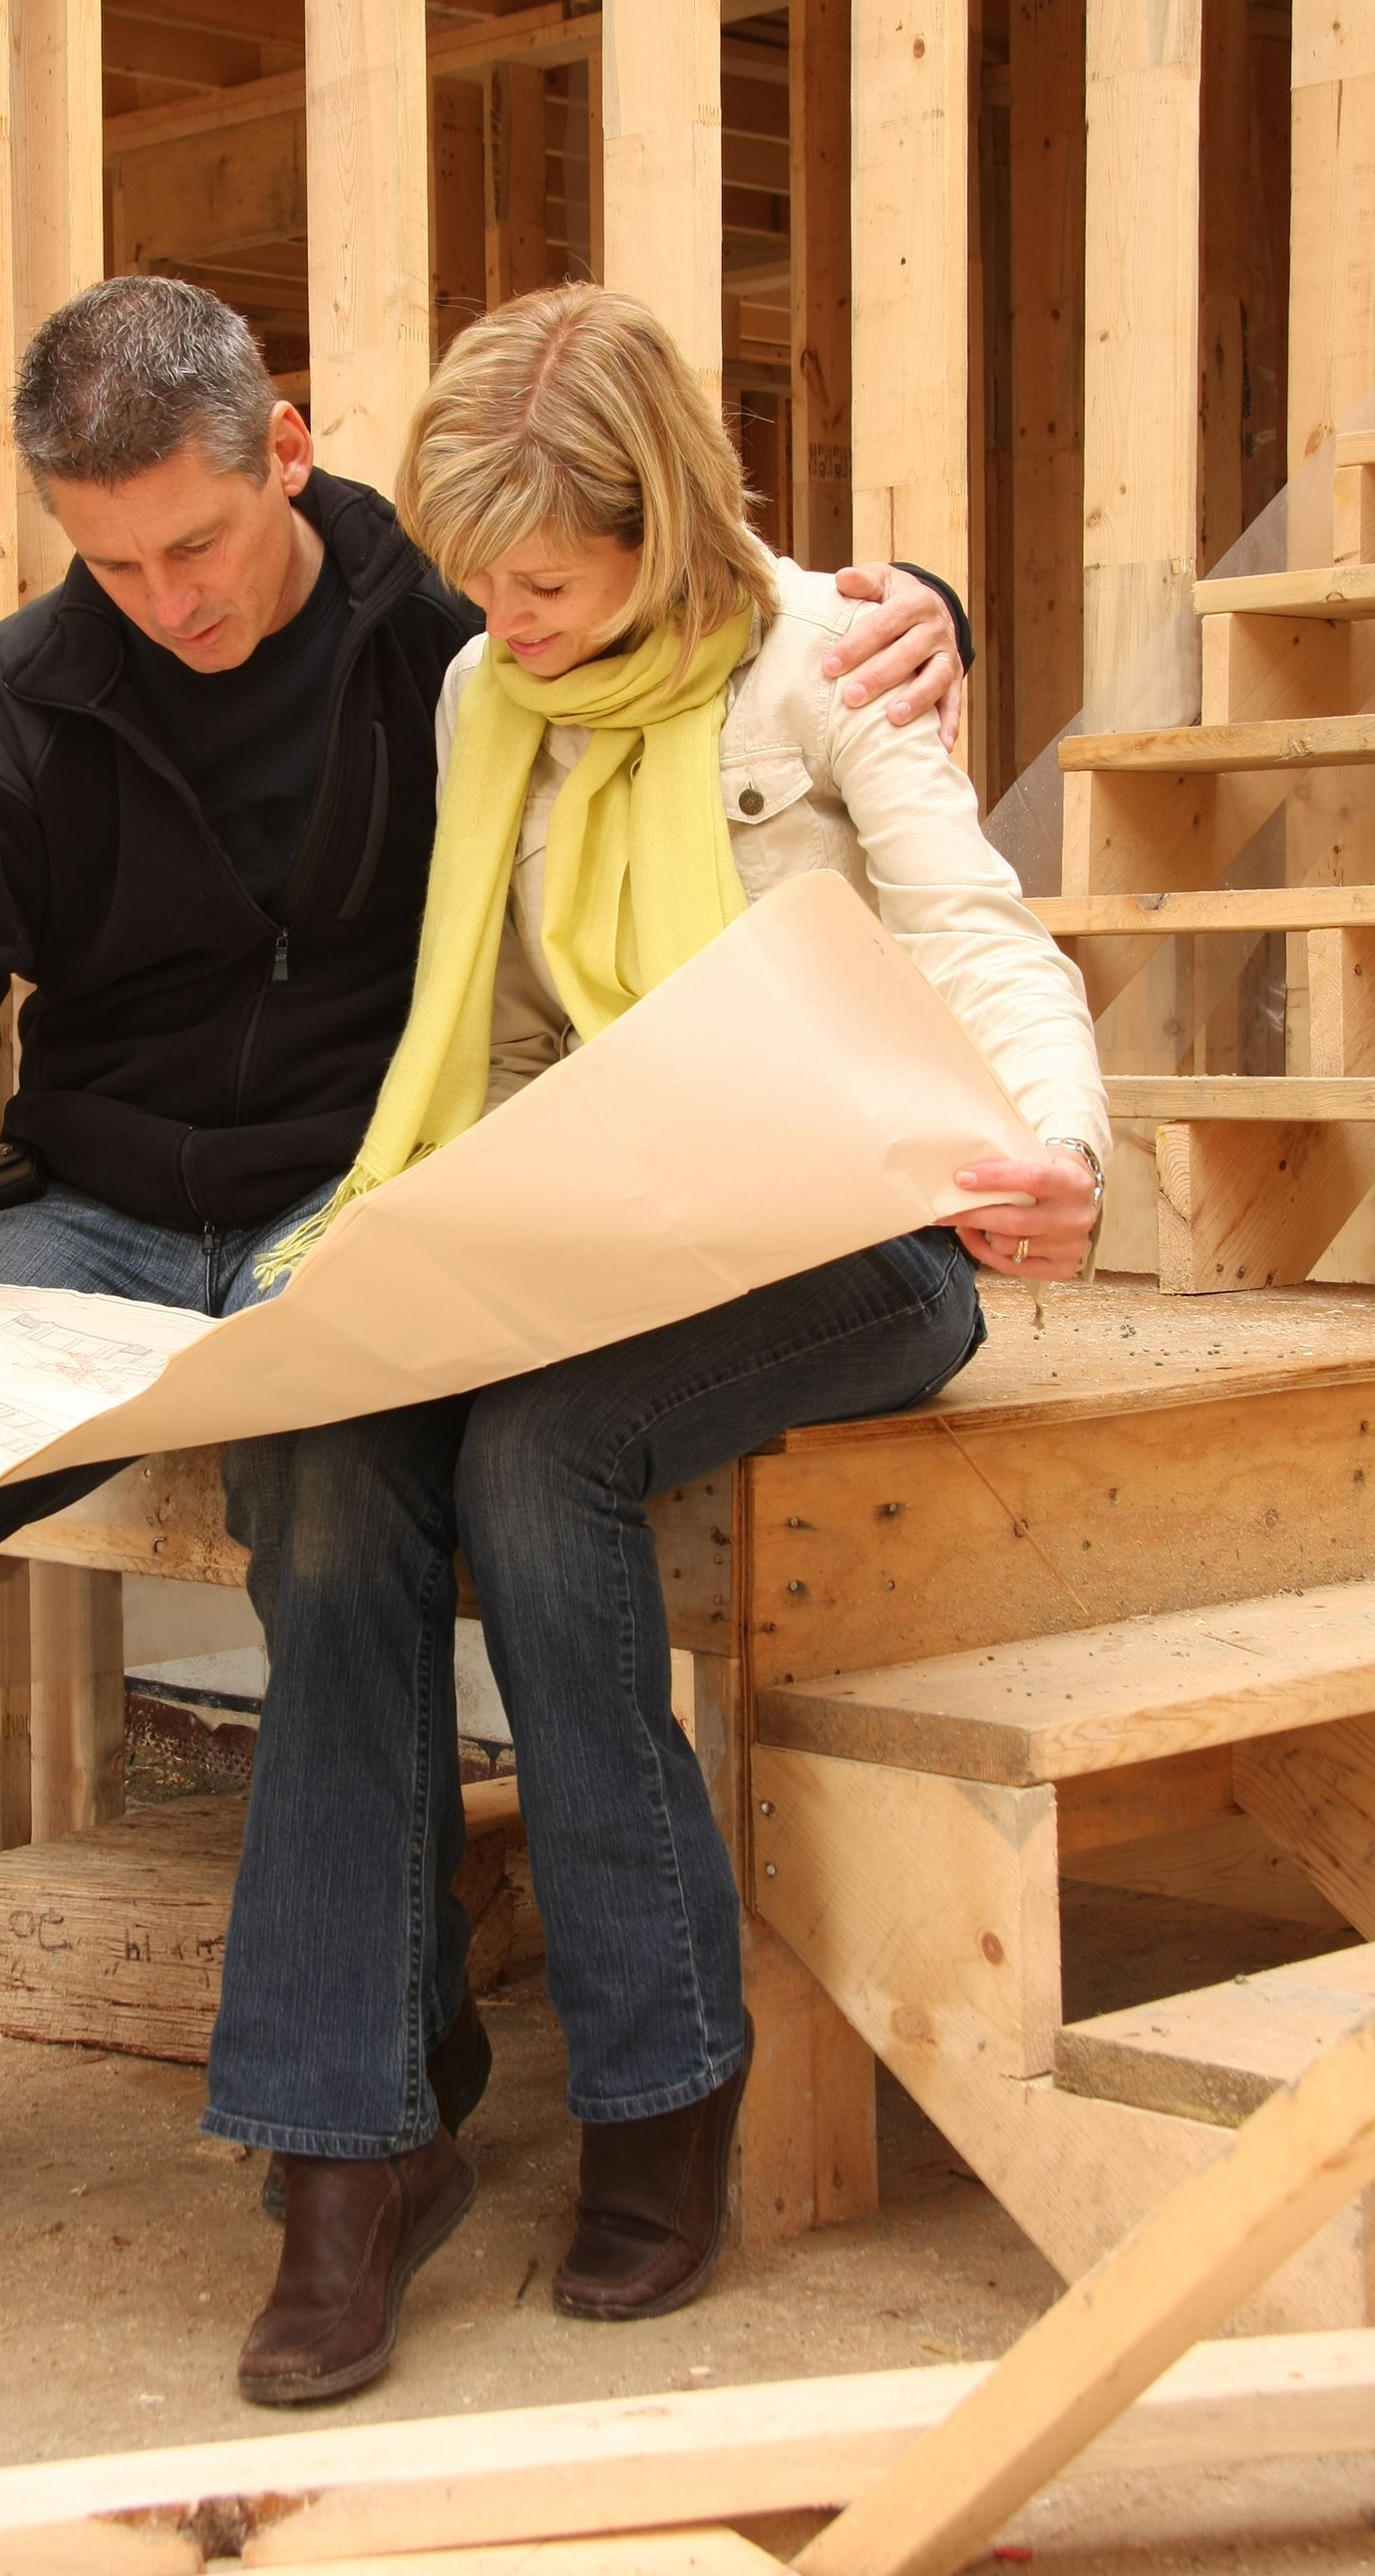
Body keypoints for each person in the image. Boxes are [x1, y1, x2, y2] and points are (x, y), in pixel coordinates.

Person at [0, 274, 970, 2278]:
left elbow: (688, 613)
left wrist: (934, 609)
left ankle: (360, 2112)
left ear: (285, 446)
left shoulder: (449, 626)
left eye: (193, 542)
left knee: (342, 1502)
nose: (165, 600)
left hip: (364, 1208)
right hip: (86, 1219)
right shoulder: (33, 694)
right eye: (109, 562)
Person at [202, 282, 1110, 2408]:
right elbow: (509, 1027)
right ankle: (358, 2138)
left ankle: (661, 2079)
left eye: (548, 579)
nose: (508, 618)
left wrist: (1057, 1147)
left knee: (538, 1463)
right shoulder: (476, 698)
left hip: (852, 1235)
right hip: (608, 1230)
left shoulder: (828, 664)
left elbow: (971, 926)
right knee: (338, 1451)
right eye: (478, 579)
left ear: (666, 523)